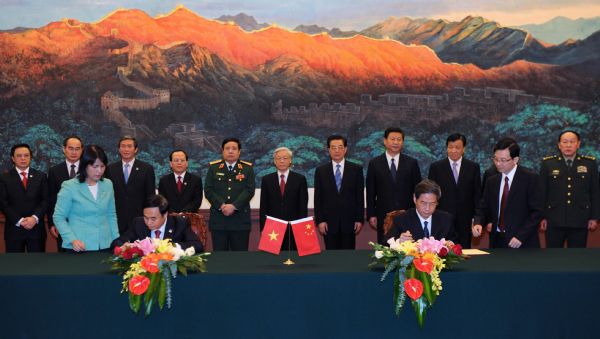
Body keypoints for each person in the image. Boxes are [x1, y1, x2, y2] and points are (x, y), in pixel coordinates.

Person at [473, 138, 543, 248]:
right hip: (497, 240)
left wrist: (521, 236)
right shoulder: (492, 180)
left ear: (515, 160)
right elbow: (484, 207)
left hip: (522, 241)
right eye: (495, 159)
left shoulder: (530, 178)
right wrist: (478, 222)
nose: (498, 163)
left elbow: (537, 212)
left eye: (503, 160)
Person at [539, 130, 599, 248]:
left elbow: (595, 192)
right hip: (554, 219)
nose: (568, 145)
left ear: (578, 144)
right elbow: (542, 193)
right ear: (559, 145)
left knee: (577, 258)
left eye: (572, 142)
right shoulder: (548, 164)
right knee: (553, 257)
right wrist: (542, 217)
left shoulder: (589, 164)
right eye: (565, 142)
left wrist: (594, 217)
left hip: (580, 219)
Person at [53, 145, 119, 252]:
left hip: (106, 244)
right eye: (95, 166)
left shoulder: (108, 184)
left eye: (102, 166)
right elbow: (59, 217)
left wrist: (117, 240)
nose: (99, 171)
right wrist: (72, 239)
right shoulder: (70, 186)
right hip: (80, 246)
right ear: (84, 166)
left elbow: (111, 214)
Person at [366, 127, 421, 244]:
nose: (396, 142)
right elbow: (371, 191)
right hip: (383, 214)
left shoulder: (412, 163)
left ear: (403, 142)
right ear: (385, 141)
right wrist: (371, 214)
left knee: (407, 247)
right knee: (385, 247)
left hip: (407, 213)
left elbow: (418, 190)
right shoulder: (374, 163)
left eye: (399, 139)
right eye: (392, 139)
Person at [428, 133, 481, 248]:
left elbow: (477, 195)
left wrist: (477, 219)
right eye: (450, 147)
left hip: (465, 219)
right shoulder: (436, 167)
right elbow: (432, 194)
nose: (453, 150)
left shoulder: (473, 167)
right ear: (446, 148)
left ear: (464, 149)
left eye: (457, 147)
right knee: (441, 251)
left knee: (464, 250)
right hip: (442, 218)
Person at [314, 135, 364, 249]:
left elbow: (359, 197)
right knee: (331, 257)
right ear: (329, 150)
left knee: (348, 257)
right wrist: (320, 220)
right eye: (333, 147)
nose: (337, 150)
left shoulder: (356, 169)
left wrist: (359, 219)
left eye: (340, 147)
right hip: (328, 223)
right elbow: (318, 198)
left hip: (350, 222)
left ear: (345, 149)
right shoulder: (321, 171)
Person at [204, 138, 255, 251]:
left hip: (240, 220)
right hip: (219, 220)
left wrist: (234, 206)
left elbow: (249, 190)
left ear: (239, 152)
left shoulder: (247, 169)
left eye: (234, 148)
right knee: (220, 259)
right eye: (227, 148)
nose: (230, 151)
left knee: (240, 259)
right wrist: (222, 205)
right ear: (222, 151)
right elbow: (208, 190)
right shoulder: (214, 168)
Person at [111, 194, 203, 253]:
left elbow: (198, 245)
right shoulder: (138, 223)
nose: (148, 223)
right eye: (146, 218)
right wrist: (126, 246)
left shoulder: (180, 223)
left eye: (153, 219)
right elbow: (116, 242)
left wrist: (170, 247)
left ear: (165, 214)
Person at [0, 144, 48, 252]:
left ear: (31, 157)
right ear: (13, 158)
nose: (23, 158)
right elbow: (3, 203)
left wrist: (34, 218)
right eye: (19, 156)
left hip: (36, 229)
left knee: (38, 266)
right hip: (14, 230)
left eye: (26, 155)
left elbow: (45, 200)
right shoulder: (4, 178)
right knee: (15, 265)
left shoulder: (41, 176)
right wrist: (20, 220)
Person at [259, 147, 308, 250]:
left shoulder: (300, 179)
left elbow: (303, 205)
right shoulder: (267, 180)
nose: (282, 161)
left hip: (293, 226)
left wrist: (301, 226)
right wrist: (263, 227)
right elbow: (264, 205)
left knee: (292, 257)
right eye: (278, 158)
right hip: (272, 228)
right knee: (273, 260)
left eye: (285, 158)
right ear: (274, 161)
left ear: (290, 160)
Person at [105, 136, 156, 233]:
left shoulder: (146, 169)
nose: (126, 149)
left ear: (135, 149)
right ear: (119, 149)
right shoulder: (110, 169)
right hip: (116, 218)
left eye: (129, 146)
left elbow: (150, 196)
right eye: (123, 146)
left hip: (139, 218)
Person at [386, 179, 456, 242]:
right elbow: (385, 243)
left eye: (432, 203)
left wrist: (450, 244)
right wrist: (399, 241)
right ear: (415, 199)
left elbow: (455, 242)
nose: (427, 208)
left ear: (437, 202)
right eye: (423, 203)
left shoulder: (446, 219)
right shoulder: (401, 219)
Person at [47, 135, 83, 252]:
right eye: (70, 148)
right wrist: (52, 223)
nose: (74, 152)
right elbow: (51, 199)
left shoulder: (89, 169)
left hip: (85, 223)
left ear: (82, 150)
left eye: (77, 149)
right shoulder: (54, 171)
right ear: (64, 149)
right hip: (62, 224)